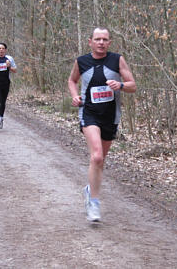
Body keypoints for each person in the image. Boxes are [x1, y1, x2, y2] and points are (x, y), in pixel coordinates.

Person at [68, 27, 136, 222]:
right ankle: (94, 203)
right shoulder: (82, 62)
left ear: (109, 42)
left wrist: (121, 85)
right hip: (89, 113)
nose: (101, 42)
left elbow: (133, 85)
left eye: (105, 39)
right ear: (90, 41)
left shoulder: (117, 60)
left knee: (101, 160)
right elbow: (72, 81)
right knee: (96, 156)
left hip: (110, 117)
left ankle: (90, 189)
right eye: (97, 39)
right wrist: (75, 96)